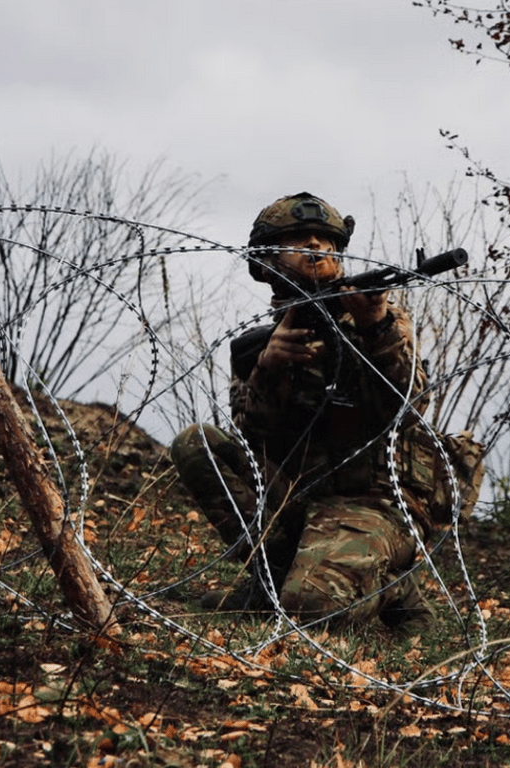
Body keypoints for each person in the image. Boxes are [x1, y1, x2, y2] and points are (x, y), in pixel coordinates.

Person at [171, 192, 463, 629]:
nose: (315, 249)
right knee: (198, 445)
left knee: (312, 611)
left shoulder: (382, 320)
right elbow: (255, 438)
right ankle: (271, 581)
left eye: (326, 243)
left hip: (373, 501)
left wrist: (375, 326)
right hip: (300, 492)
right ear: (266, 262)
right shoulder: (263, 344)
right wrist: (269, 369)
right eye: (300, 241)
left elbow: (410, 408)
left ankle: (393, 586)